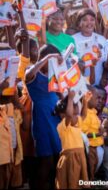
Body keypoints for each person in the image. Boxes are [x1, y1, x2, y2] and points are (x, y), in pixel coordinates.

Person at [25, 44, 63, 189]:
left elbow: (59, 94)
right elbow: (27, 76)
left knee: (57, 158)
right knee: (45, 159)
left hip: (55, 118)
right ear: (43, 59)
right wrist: (48, 58)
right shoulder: (33, 73)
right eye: (52, 61)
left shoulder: (53, 76)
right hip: (42, 119)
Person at [54, 91, 88, 189]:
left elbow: (84, 116)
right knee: (71, 181)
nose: (77, 115)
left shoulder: (77, 124)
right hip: (70, 158)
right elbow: (69, 115)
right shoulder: (63, 125)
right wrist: (70, 98)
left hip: (80, 156)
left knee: (79, 181)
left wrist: (85, 101)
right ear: (62, 114)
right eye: (74, 109)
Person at [73, 8, 106, 86]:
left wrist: (99, 56)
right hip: (80, 85)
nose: (89, 23)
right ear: (79, 23)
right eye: (85, 20)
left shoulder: (102, 39)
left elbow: (106, 62)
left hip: (98, 86)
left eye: (92, 20)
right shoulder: (72, 40)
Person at [81, 87, 105, 180]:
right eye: (96, 98)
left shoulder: (93, 112)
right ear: (88, 98)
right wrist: (98, 135)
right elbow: (84, 135)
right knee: (90, 166)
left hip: (95, 146)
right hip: (90, 147)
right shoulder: (86, 114)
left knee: (93, 164)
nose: (98, 101)